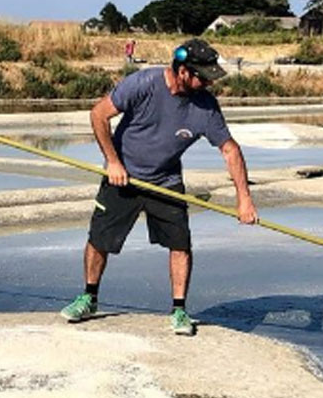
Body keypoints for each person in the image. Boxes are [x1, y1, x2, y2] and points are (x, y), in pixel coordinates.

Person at [59, 37, 258, 335]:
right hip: (123, 176)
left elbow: (230, 149)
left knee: (180, 244)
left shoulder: (206, 106)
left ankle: (179, 310)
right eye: (202, 77)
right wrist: (113, 162)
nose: (208, 83)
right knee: (100, 239)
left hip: (166, 181)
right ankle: (89, 297)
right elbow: (98, 113)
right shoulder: (143, 83)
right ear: (181, 72)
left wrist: (244, 198)